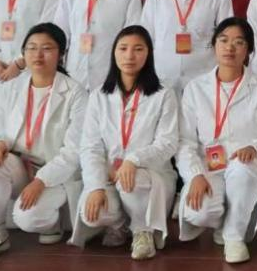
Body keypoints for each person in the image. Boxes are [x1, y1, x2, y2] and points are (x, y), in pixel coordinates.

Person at [0, 23, 88, 262]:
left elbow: (74, 151)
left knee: (29, 219)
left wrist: (42, 181)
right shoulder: (10, 88)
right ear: (23, 53)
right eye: (31, 48)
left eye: (47, 48)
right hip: (19, 165)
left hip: (54, 173)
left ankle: (52, 222)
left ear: (61, 54)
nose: (38, 55)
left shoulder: (76, 93)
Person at [176, 18, 257, 263]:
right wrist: (195, 175)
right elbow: (185, 141)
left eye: (239, 42)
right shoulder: (195, 88)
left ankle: (234, 237)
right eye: (223, 40)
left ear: (249, 50)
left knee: (242, 169)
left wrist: (255, 147)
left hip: (251, 164)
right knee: (199, 212)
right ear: (214, 45)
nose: (230, 47)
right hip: (208, 166)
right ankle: (225, 219)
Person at [74, 26, 180, 259]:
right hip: (110, 175)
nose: (129, 55)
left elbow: (168, 143)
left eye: (138, 49)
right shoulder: (99, 95)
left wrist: (133, 160)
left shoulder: (164, 94)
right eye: (123, 48)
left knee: (132, 180)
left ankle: (142, 231)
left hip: (150, 177)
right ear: (114, 53)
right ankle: (120, 224)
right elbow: (90, 147)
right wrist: (95, 186)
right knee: (92, 214)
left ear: (149, 54)